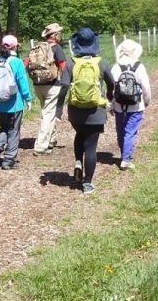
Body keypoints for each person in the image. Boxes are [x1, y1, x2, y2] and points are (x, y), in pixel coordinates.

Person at [66, 27, 115, 194]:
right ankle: (87, 183)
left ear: (77, 44)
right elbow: (112, 84)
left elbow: (64, 85)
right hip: (96, 111)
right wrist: (108, 95)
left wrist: (57, 110)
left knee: (80, 134)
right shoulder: (102, 63)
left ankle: (78, 161)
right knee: (91, 146)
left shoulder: (71, 63)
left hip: (75, 111)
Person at [0, 35, 34, 170]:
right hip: (14, 104)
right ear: (15, 46)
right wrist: (28, 98)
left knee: (4, 127)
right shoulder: (17, 62)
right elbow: (22, 83)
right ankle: (8, 160)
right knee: (14, 131)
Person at [28, 23, 70, 155]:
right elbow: (63, 65)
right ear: (55, 35)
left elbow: (27, 63)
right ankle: (40, 146)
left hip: (37, 85)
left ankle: (51, 140)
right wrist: (58, 75)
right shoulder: (56, 48)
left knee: (47, 113)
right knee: (48, 115)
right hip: (52, 85)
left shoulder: (37, 47)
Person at [110, 39, 152, 170]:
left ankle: (124, 154)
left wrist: (111, 105)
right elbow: (146, 86)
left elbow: (112, 88)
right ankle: (126, 159)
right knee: (131, 131)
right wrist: (146, 100)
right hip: (136, 105)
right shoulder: (139, 66)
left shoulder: (116, 66)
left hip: (118, 105)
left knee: (121, 130)